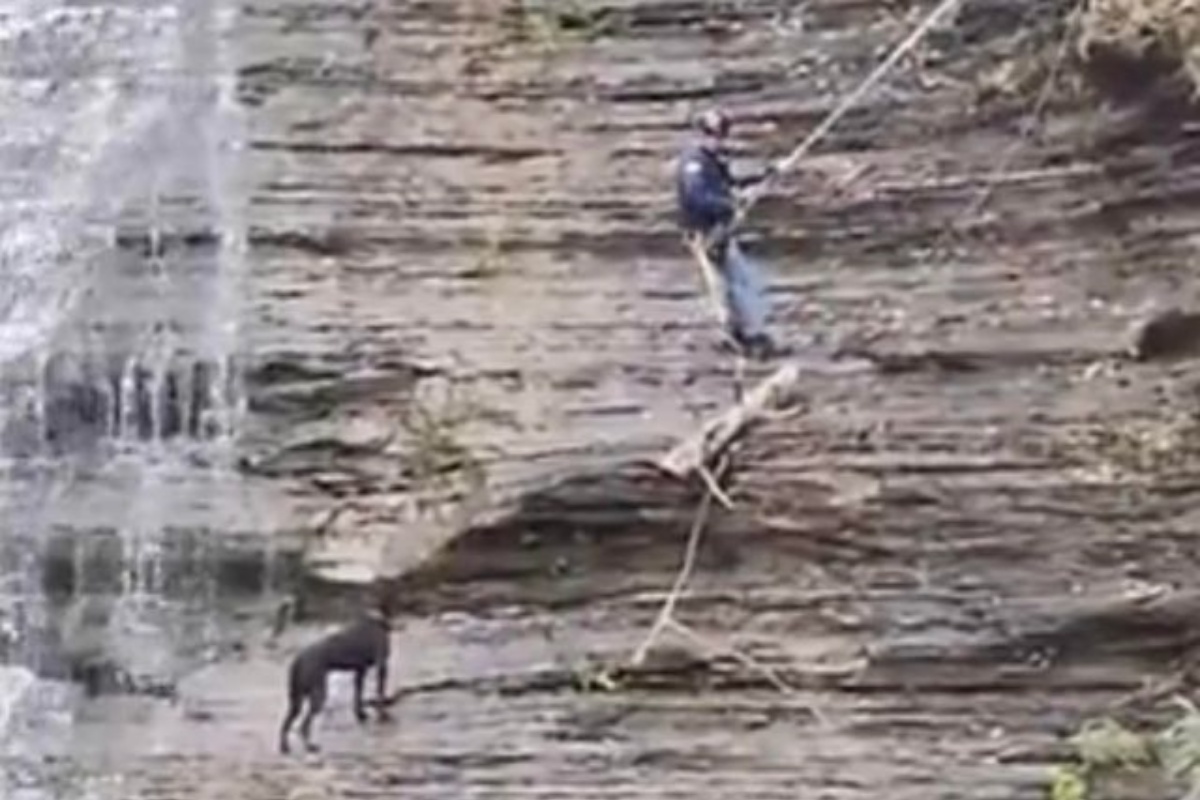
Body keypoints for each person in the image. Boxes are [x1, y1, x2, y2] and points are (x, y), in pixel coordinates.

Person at [674, 107, 781, 360]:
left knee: (741, 282)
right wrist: (731, 203)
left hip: (721, 232)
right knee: (722, 287)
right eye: (712, 134)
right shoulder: (693, 164)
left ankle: (747, 331)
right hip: (705, 234)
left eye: (721, 134)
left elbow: (733, 182)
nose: (717, 140)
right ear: (700, 133)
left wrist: (769, 173)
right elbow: (697, 197)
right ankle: (735, 337)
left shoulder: (714, 161)